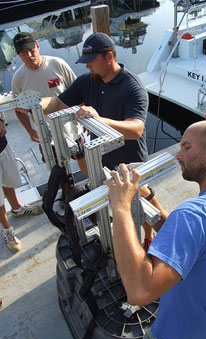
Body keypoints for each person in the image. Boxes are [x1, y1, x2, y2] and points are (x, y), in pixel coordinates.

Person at [104, 120, 206, 339]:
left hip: (178, 336)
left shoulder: (193, 214)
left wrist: (121, 205)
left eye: (187, 147)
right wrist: (151, 198)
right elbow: (192, 241)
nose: (178, 155)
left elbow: (139, 292)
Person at [31, 31, 161, 250]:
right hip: (102, 160)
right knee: (121, 206)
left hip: (130, 161)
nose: (87, 66)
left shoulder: (133, 87)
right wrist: (33, 104)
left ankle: (150, 238)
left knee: (144, 203)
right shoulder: (87, 82)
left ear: (108, 56)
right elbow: (56, 104)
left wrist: (99, 119)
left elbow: (136, 129)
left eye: (91, 61)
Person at [12, 32, 87, 176]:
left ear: (38, 46)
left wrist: (87, 117)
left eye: (31, 50)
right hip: (45, 136)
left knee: (83, 159)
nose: (29, 55)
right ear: (17, 55)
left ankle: (94, 186)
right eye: (23, 53)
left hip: (72, 128)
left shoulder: (57, 64)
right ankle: (68, 194)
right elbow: (18, 109)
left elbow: (79, 92)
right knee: (58, 171)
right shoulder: (18, 79)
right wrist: (30, 131)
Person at [0, 114, 43, 253]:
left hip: (2, 145)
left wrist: (1, 121)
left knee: (9, 179)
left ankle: (17, 209)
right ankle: (7, 230)